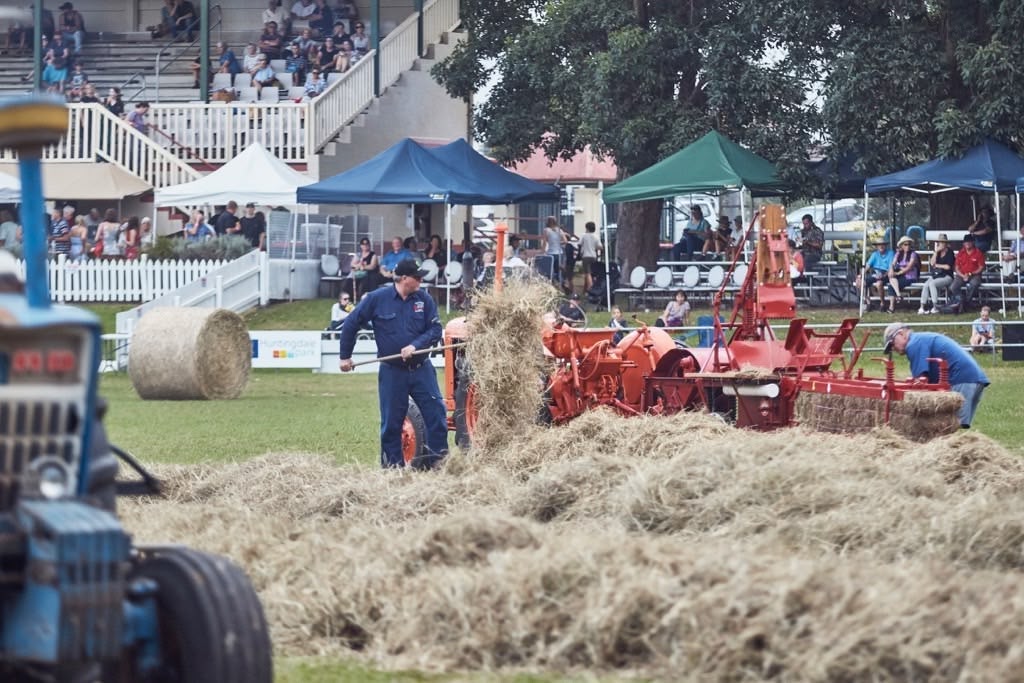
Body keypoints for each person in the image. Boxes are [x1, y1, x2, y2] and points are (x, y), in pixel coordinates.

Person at [338, 258, 449, 469]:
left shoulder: (424, 300)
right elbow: (351, 323)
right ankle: (393, 472)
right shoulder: (376, 299)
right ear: (404, 278)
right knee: (391, 424)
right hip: (393, 372)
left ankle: (439, 467)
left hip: (421, 369)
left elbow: (435, 330)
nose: (421, 281)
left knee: (436, 416)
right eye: (417, 277)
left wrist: (415, 346)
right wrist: (345, 356)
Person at [883, 323, 989, 428]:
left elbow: (921, 381)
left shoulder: (913, 344)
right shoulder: (921, 339)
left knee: (950, 426)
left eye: (892, 344)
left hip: (960, 378)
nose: (893, 349)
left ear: (901, 334)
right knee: (954, 426)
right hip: (973, 378)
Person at [918, 233, 955, 314]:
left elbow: (948, 267)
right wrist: (936, 252)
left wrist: (937, 265)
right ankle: (922, 307)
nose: (941, 244)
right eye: (940, 242)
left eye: (943, 242)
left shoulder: (950, 253)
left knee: (932, 284)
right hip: (937, 275)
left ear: (946, 243)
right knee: (926, 285)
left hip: (947, 276)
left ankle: (935, 306)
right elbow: (931, 263)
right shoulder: (937, 252)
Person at [949, 234, 986, 313]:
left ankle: (966, 303)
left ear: (973, 243)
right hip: (962, 275)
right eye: (966, 242)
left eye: (969, 242)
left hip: (974, 275)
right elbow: (957, 267)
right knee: (953, 287)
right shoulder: (960, 253)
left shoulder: (978, 253)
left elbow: (981, 267)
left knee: (973, 285)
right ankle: (961, 301)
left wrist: (971, 274)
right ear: (963, 244)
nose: (967, 244)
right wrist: (962, 275)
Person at [885, 235, 920, 313]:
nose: (907, 246)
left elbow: (909, 268)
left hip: (910, 276)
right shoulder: (899, 253)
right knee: (891, 281)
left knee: (892, 285)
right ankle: (899, 295)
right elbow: (893, 263)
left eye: (909, 244)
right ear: (902, 245)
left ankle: (892, 307)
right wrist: (891, 270)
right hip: (901, 275)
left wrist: (897, 273)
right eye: (905, 244)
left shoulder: (913, 254)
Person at [857, 237, 894, 310]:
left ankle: (882, 303)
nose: (881, 246)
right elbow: (867, 266)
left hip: (886, 273)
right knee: (861, 282)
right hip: (875, 273)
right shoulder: (874, 254)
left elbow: (891, 267)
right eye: (879, 245)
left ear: (885, 245)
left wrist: (883, 275)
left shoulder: (890, 253)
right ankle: (868, 303)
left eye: (882, 244)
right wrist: (860, 275)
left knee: (879, 284)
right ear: (876, 246)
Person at [542, 216, 569, 284]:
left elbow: (544, 243)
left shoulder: (546, 230)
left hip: (551, 253)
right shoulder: (560, 230)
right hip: (560, 252)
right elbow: (565, 241)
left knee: (551, 270)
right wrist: (559, 243)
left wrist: (542, 251)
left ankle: (554, 283)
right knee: (558, 269)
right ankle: (562, 280)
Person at [578, 220, 601, 294]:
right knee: (592, 273)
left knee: (587, 273)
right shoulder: (596, 236)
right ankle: (585, 290)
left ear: (587, 228)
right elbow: (600, 247)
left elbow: (579, 244)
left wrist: (580, 253)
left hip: (586, 256)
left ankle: (591, 289)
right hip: (593, 256)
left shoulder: (584, 236)